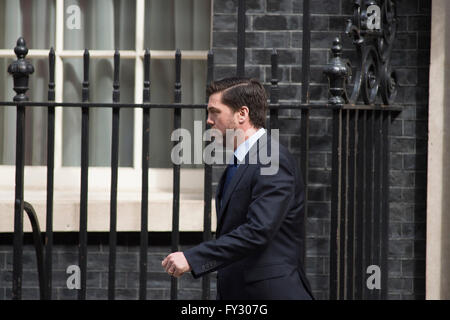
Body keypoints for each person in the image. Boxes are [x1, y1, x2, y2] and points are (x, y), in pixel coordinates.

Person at [162, 77, 314, 300]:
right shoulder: (244, 160)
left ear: (242, 114)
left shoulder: (272, 159)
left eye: (215, 112)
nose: (209, 121)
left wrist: (193, 258)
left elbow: (258, 230)